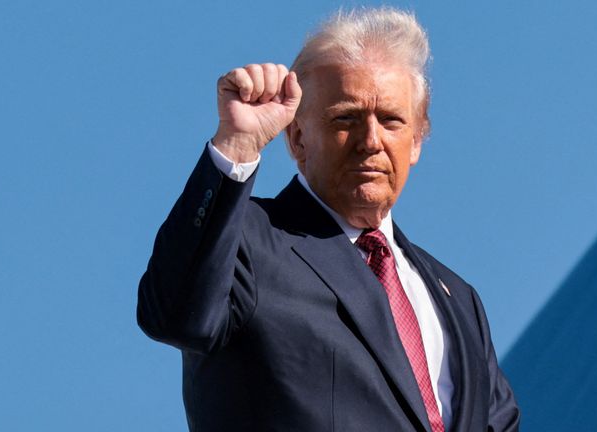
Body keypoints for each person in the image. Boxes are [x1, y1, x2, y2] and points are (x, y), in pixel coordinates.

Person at [138, 7, 519, 432]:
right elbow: (173, 315)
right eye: (346, 118)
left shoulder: (459, 299)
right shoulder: (246, 239)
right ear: (298, 138)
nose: (371, 141)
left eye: (391, 120)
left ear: (417, 140)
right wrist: (237, 143)